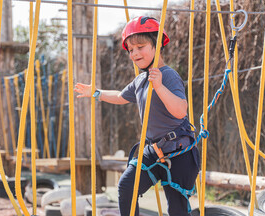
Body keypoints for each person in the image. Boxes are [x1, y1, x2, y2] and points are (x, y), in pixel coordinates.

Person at [74, 16, 200, 216]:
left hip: (179, 152)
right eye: (131, 50)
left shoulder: (168, 76)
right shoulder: (140, 80)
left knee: (176, 210)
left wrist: (158, 86)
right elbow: (121, 96)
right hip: (154, 151)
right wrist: (96, 93)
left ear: (156, 45)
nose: (134, 53)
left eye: (140, 47)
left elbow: (180, 110)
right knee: (126, 187)